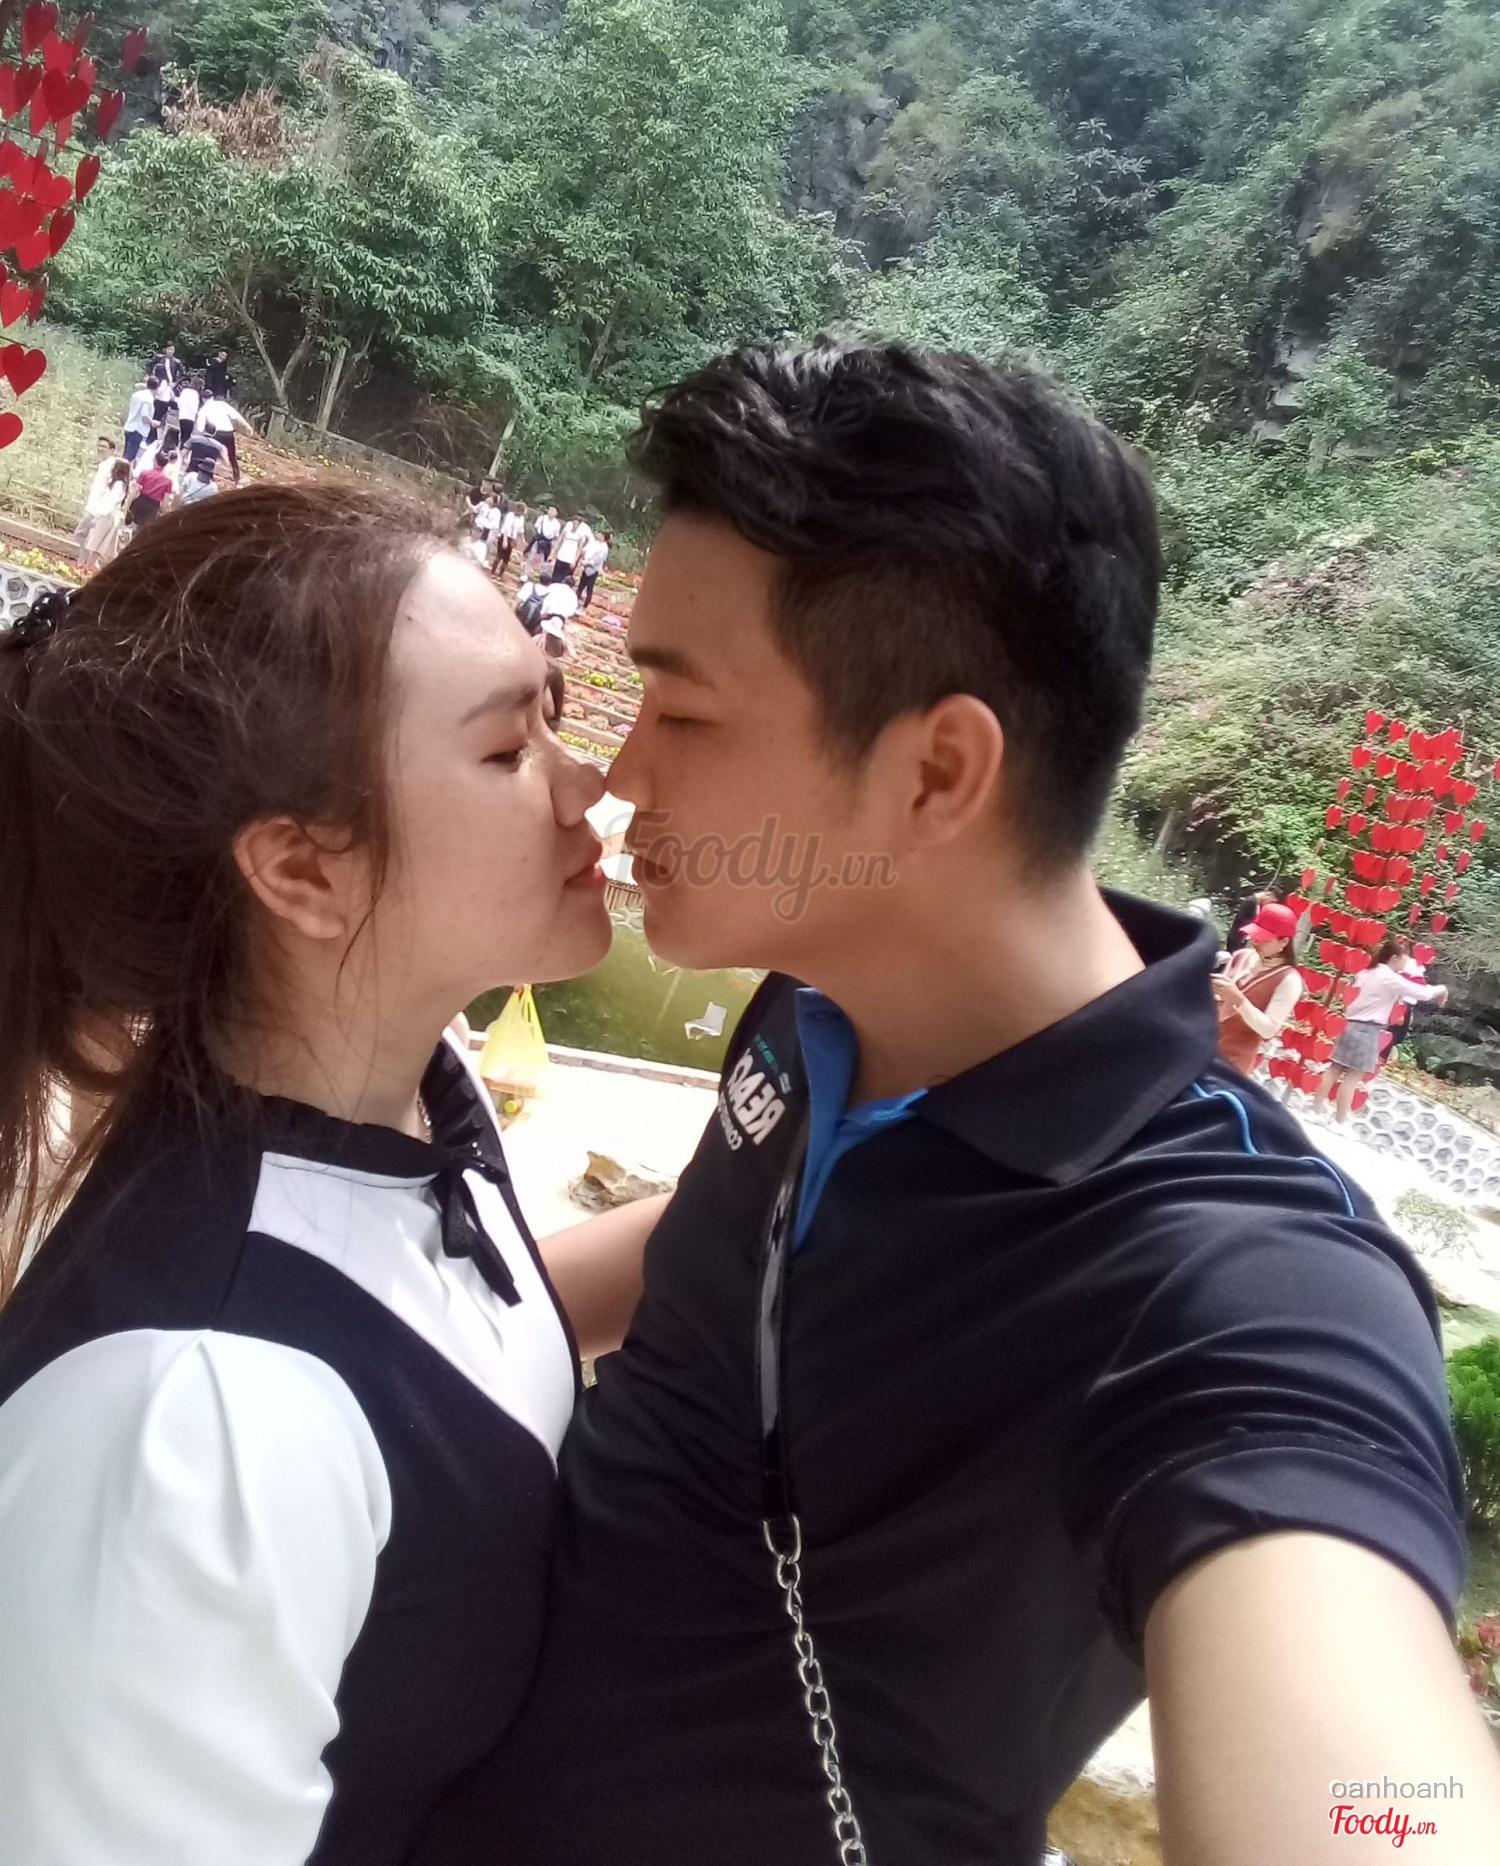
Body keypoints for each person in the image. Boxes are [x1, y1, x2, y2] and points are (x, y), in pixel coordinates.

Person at [414, 342, 1496, 1866]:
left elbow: (1377, 1811)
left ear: (935, 775)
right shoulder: (824, 994)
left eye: (683, 714)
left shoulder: (1238, 1286)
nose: (616, 775)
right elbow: (729, 1243)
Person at [0, 486, 663, 1865]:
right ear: (303, 868)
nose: (587, 783)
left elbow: (455, 1340)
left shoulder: (417, 1096)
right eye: (508, 747)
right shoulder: (197, 1424)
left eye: (554, 710)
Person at [1320, 936, 1449, 1125]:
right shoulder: (1388, 977)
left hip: (1349, 1023)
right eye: (1403, 962)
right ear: (1394, 958)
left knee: (1334, 1069)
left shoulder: (1366, 972)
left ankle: (1315, 1109)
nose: (1404, 968)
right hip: (1367, 1030)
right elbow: (1422, 993)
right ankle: (1339, 1120)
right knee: (1353, 1077)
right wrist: (1442, 989)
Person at [1212, 899, 1304, 1074]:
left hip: (1233, 1063)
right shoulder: (1241, 956)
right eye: (1254, 935)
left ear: (1284, 942)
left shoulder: (1289, 979)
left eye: (1264, 939)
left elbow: (1269, 1029)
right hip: (1202, 1044)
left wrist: (1239, 1000)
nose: (1255, 941)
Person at [72, 438, 120, 564]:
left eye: (104, 446)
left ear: (112, 450)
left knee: (81, 534)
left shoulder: (112, 467)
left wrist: (101, 510)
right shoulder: (103, 465)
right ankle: (85, 563)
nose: (100, 449)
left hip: (98, 509)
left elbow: (110, 490)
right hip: (93, 506)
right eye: (99, 446)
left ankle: (85, 563)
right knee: (86, 536)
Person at [199, 392, 252, 484]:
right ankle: (237, 478)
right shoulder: (222, 404)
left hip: (216, 433)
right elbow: (237, 416)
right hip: (228, 433)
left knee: (211, 456)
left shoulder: (203, 409)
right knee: (232, 457)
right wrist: (248, 427)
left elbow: (200, 428)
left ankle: (208, 476)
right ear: (212, 397)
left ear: (203, 399)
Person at [125, 449, 175, 530]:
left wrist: (128, 504)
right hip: (153, 507)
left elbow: (135, 490)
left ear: (155, 461)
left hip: (141, 502)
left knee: (131, 526)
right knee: (144, 530)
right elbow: (165, 501)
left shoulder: (145, 473)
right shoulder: (168, 482)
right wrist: (163, 512)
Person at [1226, 886, 1277, 955]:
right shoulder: (1250, 902)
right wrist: (1257, 925)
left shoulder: (1258, 904)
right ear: (1268, 894)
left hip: (1243, 938)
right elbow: (1240, 919)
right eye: (1271, 901)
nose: (1269, 903)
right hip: (1236, 938)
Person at [121, 379, 156, 463]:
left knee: (126, 453)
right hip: (138, 429)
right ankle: (120, 469)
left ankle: (119, 468)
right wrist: (152, 422)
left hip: (129, 425)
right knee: (130, 456)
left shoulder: (136, 394)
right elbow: (144, 415)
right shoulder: (148, 398)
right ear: (157, 388)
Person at [577, 526, 610, 609]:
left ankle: (585, 606)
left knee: (589, 588)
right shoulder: (595, 543)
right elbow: (588, 552)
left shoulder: (604, 548)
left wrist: (587, 563)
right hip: (586, 568)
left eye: (600, 534)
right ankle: (576, 600)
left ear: (603, 536)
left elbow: (597, 560)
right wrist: (584, 558)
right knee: (581, 586)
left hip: (593, 570)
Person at [550, 516, 584, 587]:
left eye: (577, 524)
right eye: (574, 523)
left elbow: (579, 549)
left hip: (570, 558)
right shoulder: (566, 531)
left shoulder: (580, 535)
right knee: (556, 576)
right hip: (561, 555)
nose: (575, 525)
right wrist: (552, 554)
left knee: (566, 579)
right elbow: (558, 542)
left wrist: (575, 561)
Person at [497, 500, 525, 577]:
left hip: (512, 538)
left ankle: (500, 574)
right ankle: (493, 571)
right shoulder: (510, 515)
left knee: (506, 557)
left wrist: (522, 541)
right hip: (505, 536)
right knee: (499, 555)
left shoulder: (521, 519)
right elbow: (506, 528)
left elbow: (520, 531)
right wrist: (505, 540)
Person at [174, 375, 202, 445]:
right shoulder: (195, 393)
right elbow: (194, 407)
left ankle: (181, 447)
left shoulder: (184, 391)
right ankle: (184, 449)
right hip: (190, 417)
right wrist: (197, 414)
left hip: (182, 416)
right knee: (187, 437)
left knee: (183, 435)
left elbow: (179, 403)